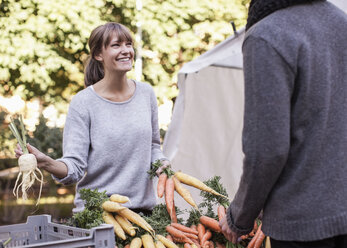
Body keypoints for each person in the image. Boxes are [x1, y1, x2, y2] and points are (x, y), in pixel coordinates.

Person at [219, 0, 347, 247]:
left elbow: (267, 150)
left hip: (302, 226)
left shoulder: (267, 35)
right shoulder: (342, 23)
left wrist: (239, 216)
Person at [15, 22, 170, 214]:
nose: (126, 50)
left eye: (128, 44)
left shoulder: (146, 94)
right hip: (98, 215)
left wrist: (162, 163)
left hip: (143, 214)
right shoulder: (83, 103)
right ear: (98, 54)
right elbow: (75, 167)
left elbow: (154, 146)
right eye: (116, 45)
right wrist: (46, 162)